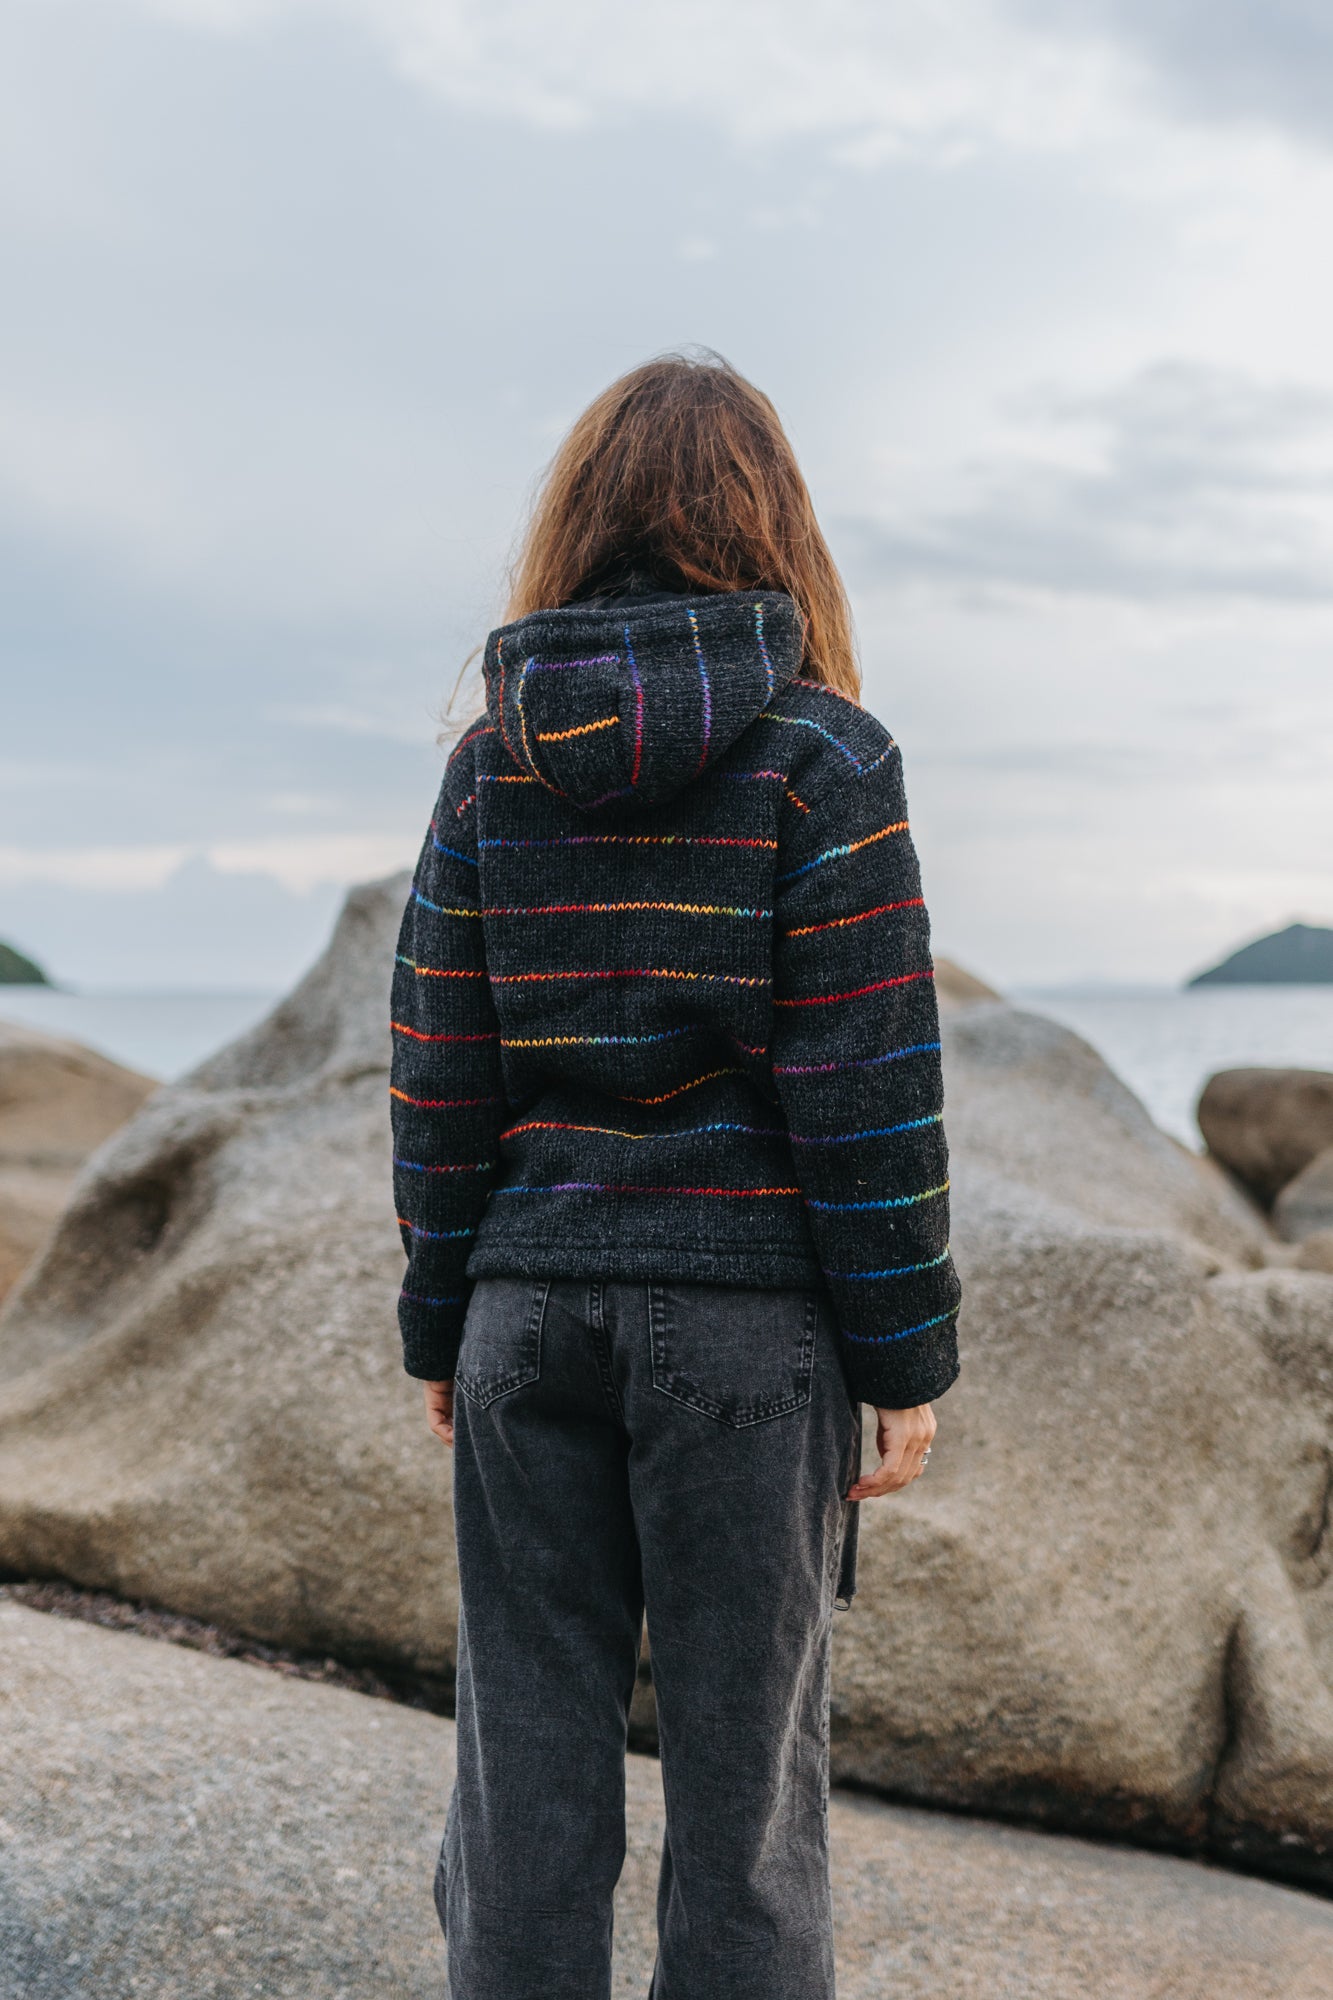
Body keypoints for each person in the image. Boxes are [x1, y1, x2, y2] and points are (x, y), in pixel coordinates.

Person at [389, 350, 961, 2000]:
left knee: (521, 1781)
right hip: (745, 1339)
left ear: (575, 523)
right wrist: (903, 1361)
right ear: (778, 525)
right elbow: (863, 1085)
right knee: (747, 1808)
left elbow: (441, 1066)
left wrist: (443, 1321)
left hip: (529, 1316)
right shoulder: (825, 758)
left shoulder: (490, 764)